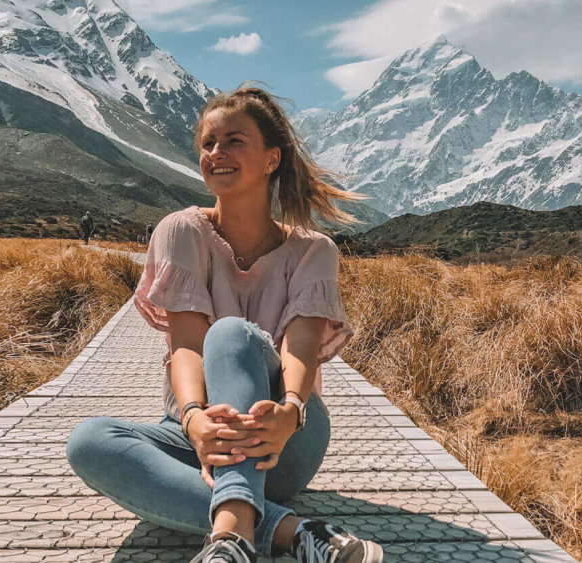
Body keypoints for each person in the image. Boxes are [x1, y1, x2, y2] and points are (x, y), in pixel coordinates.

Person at [66, 85, 380, 563]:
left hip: (285, 435)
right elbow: (185, 344)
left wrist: (291, 410)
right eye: (208, 144)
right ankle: (291, 531)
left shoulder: (315, 251)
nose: (217, 153)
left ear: (271, 159)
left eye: (234, 141)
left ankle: (232, 535)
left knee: (232, 333)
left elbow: (301, 348)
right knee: (89, 442)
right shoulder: (181, 230)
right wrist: (192, 418)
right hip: (202, 434)